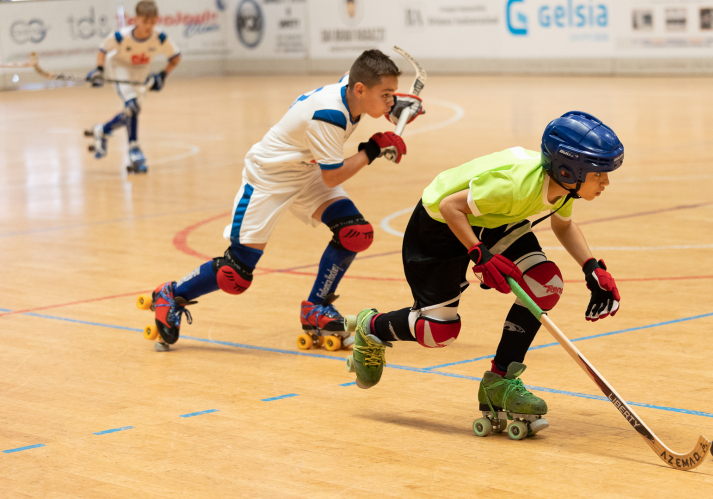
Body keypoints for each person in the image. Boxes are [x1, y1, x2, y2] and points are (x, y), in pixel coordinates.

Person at [345, 111, 623, 430]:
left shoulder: (562, 188)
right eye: (598, 174)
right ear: (568, 170)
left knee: (545, 283)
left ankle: (499, 382)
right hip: (439, 222)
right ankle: (372, 327)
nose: (605, 182)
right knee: (438, 332)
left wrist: (591, 268)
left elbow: (563, 225)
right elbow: (451, 207)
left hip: (491, 218)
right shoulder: (513, 186)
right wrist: (480, 254)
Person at [139, 49, 423, 352]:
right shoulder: (329, 115)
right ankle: (170, 294)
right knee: (235, 273)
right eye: (387, 94)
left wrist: (394, 109)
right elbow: (333, 177)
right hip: (270, 178)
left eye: (393, 94)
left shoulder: (351, 89)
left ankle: (316, 307)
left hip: (307, 171)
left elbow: (365, 97)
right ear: (360, 90)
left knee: (355, 234)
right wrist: (372, 149)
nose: (391, 100)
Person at [85, 0, 181, 173]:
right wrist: (99, 70)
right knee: (132, 106)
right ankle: (134, 150)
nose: (149, 26)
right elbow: (103, 49)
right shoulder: (122, 36)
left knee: (132, 110)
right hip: (120, 68)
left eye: (152, 22)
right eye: (145, 22)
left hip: (141, 72)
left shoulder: (159, 38)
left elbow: (176, 57)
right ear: (136, 20)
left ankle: (104, 130)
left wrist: (162, 75)